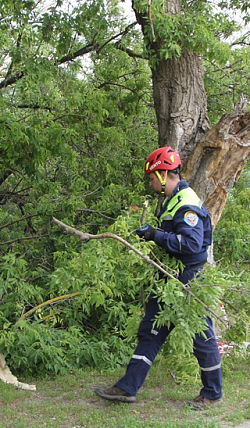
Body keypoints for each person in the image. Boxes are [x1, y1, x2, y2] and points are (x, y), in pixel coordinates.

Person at [94, 146, 223, 410]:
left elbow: (190, 244)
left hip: (190, 279)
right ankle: (127, 387)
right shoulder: (170, 200)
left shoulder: (186, 202)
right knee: (150, 331)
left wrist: (155, 235)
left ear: (164, 174)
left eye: (153, 178)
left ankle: (212, 393)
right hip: (168, 279)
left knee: (202, 336)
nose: (151, 183)